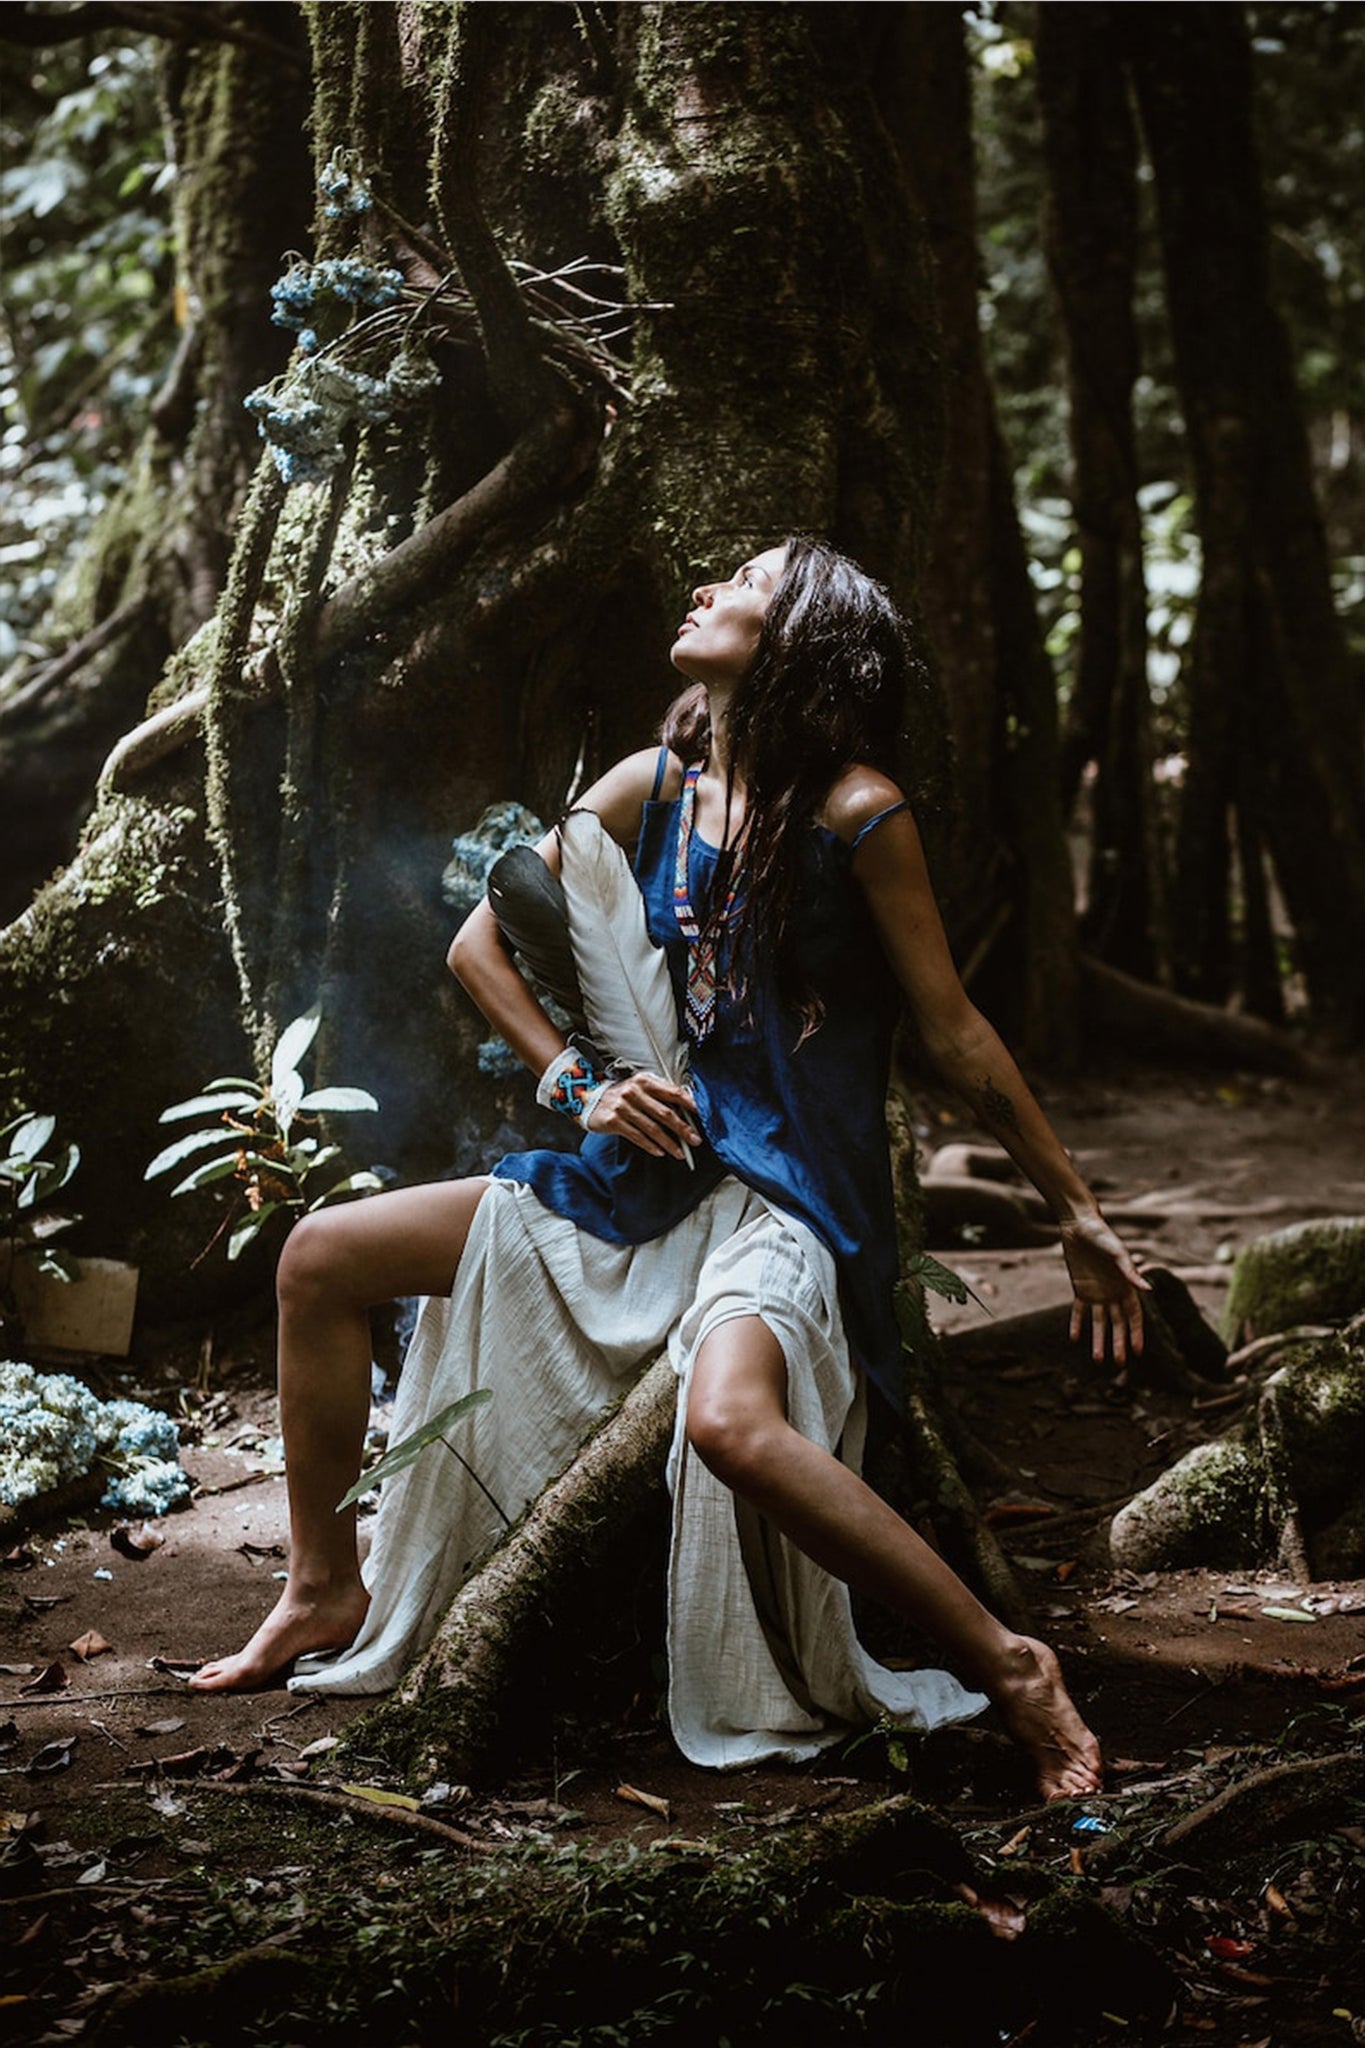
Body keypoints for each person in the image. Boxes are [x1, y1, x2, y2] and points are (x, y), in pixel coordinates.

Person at [190, 537, 1147, 1801]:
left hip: (786, 1196)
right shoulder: (653, 781)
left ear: (801, 634)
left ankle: (1008, 1659)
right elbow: (486, 941)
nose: (700, 590)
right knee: (321, 1256)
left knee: (731, 1422)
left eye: (739, 583)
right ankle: (324, 1583)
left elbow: (954, 1028)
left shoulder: (859, 814)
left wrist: (1074, 1209)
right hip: (641, 1177)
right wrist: (581, 1081)